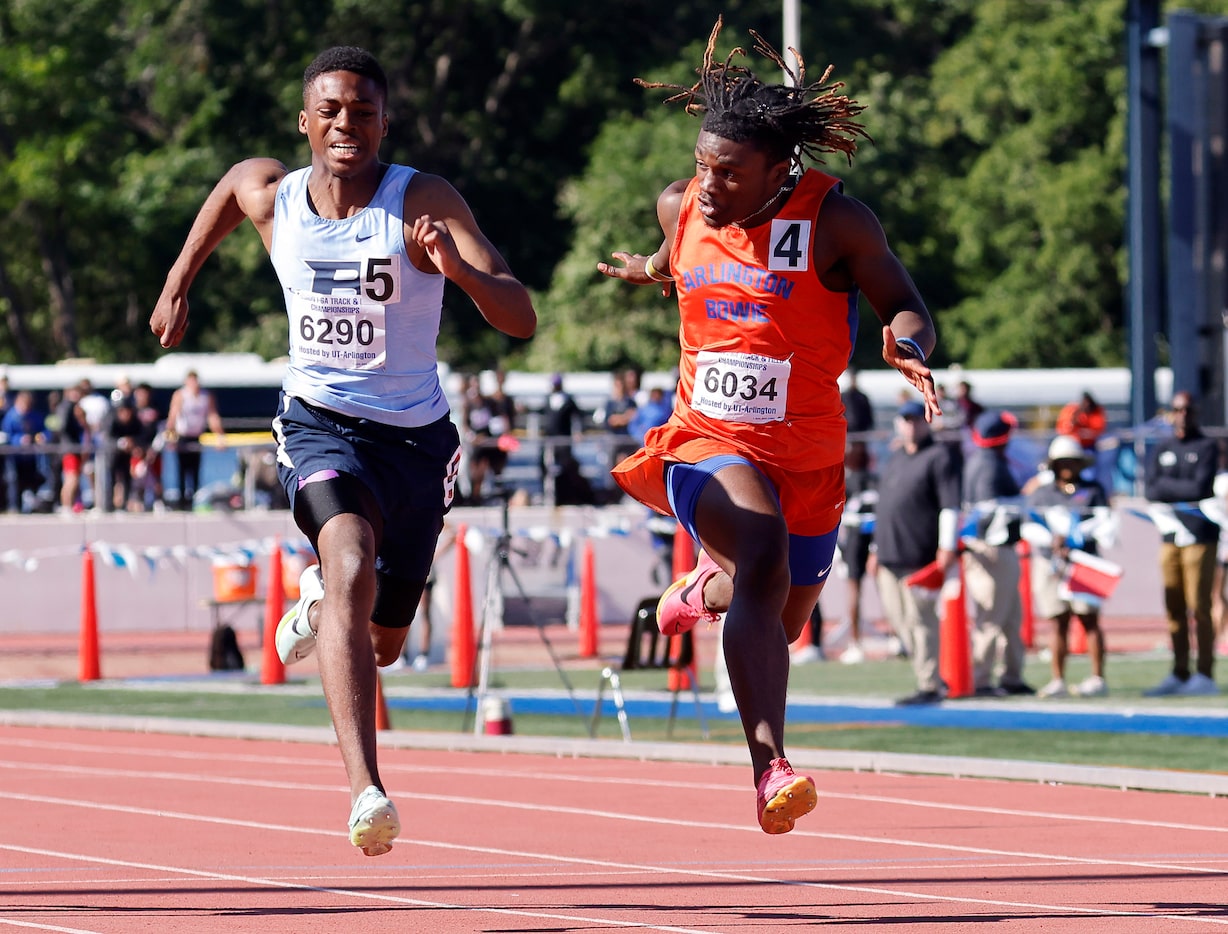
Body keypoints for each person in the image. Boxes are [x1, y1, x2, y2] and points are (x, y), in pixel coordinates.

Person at [149, 46, 536, 855]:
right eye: (330, 111)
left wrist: (459, 272)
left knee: (384, 639)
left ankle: (322, 605)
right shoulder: (278, 195)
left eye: (362, 112)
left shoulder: (421, 199)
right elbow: (230, 185)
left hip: (418, 442)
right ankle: (366, 788)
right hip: (320, 423)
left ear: (384, 122)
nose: (345, 125)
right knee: (351, 557)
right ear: (306, 120)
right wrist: (181, 275)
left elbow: (520, 317)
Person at [597, 19, 939, 833]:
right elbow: (669, 255)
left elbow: (904, 302)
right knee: (761, 550)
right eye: (701, 164)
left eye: (730, 171)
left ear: (779, 167)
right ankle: (770, 767)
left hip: (811, 459)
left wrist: (906, 342)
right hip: (701, 441)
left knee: (780, 608)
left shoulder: (836, 223)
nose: (709, 184)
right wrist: (641, 269)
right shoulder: (682, 206)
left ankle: (695, 592)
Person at [872, 400, 962, 705]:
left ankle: (930, 684)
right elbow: (884, 506)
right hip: (889, 555)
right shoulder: (895, 458)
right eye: (906, 420)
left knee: (921, 621)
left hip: (919, 556)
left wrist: (947, 546)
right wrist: (875, 548)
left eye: (915, 420)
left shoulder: (939, 457)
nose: (911, 425)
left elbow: (950, 505)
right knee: (901, 622)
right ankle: (931, 675)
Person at [1141, 391, 1220, 696]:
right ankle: (1179, 670)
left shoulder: (1206, 446)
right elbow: (1151, 488)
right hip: (1170, 536)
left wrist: (1169, 490)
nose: (1182, 415)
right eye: (1177, 410)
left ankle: (1204, 673)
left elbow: (1200, 487)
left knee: (1198, 606)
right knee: (1173, 605)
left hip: (1199, 536)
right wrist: (1178, 491)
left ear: (1196, 412)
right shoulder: (1162, 447)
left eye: (1187, 409)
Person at [1025, 435, 1111, 697]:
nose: (1067, 466)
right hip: (1051, 562)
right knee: (1057, 620)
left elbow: (1105, 522)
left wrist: (1075, 536)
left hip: (1084, 560)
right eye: (1062, 461)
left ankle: (1097, 678)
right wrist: (1053, 540)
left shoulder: (1093, 490)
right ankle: (1057, 679)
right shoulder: (1041, 493)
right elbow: (1030, 525)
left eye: (1071, 461)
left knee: (1089, 618)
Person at [962, 410, 1033, 697]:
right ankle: (980, 679)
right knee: (991, 618)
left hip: (999, 550)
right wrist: (1025, 498)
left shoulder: (984, 461)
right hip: (991, 551)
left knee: (1011, 618)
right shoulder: (988, 465)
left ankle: (1012, 676)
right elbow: (989, 512)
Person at [165, 370, 224, 509]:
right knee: (182, 471)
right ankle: (181, 502)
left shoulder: (205, 396)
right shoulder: (181, 395)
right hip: (182, 437)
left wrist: (219, 435)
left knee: (196, 471)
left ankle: (194, 501)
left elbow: (212, 416)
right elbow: (173, 416)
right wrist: (170, 436)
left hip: (197, 436)